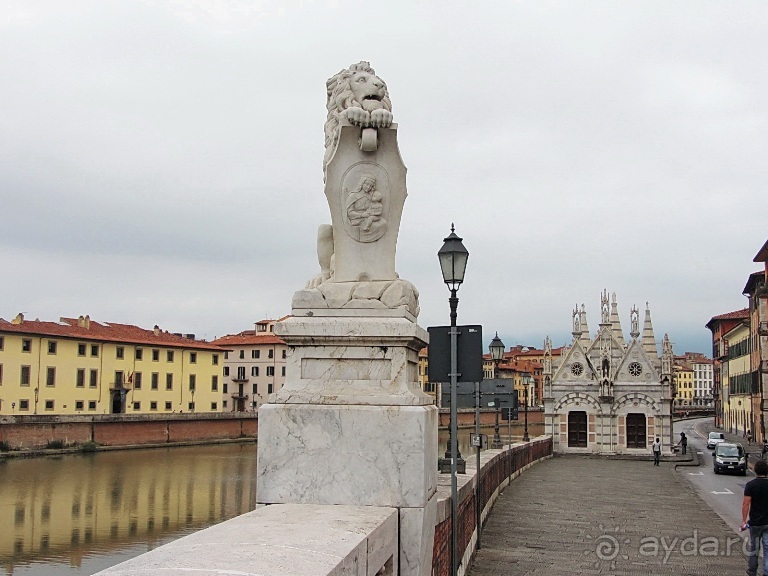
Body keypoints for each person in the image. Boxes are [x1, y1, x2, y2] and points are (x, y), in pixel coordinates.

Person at [742, 459, 768, 576]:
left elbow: (746, 504)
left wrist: (743, 520)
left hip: (755, 522)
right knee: (767, 549)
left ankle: (752, 570)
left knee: (754, 548)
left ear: (755, 470)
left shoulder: (750, 485)